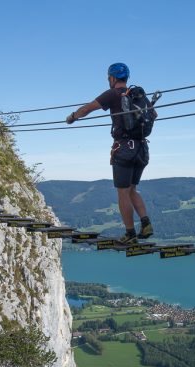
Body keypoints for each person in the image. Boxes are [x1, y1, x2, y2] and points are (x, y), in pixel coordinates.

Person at [65, 63, 155, 244]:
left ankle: (130, 234)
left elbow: (87, 109)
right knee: (132, 190)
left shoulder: (113, 94)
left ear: (112, 78)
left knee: (122, 193)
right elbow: (154, 115)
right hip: (142, 149)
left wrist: (73, 117)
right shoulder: (138, 95)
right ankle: (146, 224)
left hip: (124, 149)